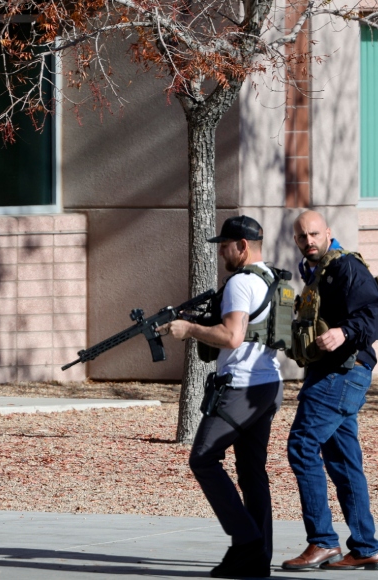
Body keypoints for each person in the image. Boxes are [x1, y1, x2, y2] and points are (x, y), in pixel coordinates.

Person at [160, 216, 284, 579]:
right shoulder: (272, 278)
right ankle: (257, 557)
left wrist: (189, 329)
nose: (222, 252)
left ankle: (246, 542)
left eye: (226, 245)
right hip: (268, 385)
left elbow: (231, 337)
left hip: (242, 387)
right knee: (251, 471)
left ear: (242, 246)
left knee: (203, 458)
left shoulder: (241, 283)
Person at [283, 210, 378, 571]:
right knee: (342, 460)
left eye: (314, 234)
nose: (308, 241)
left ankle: (323, 542)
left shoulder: (345, 268)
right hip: (330, 373)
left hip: (342, 373)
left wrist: (344, 332)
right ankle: (365, 548)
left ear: (328, 232)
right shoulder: (314, 271)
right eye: (301, 237)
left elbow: (372, 312)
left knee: (301, 445)